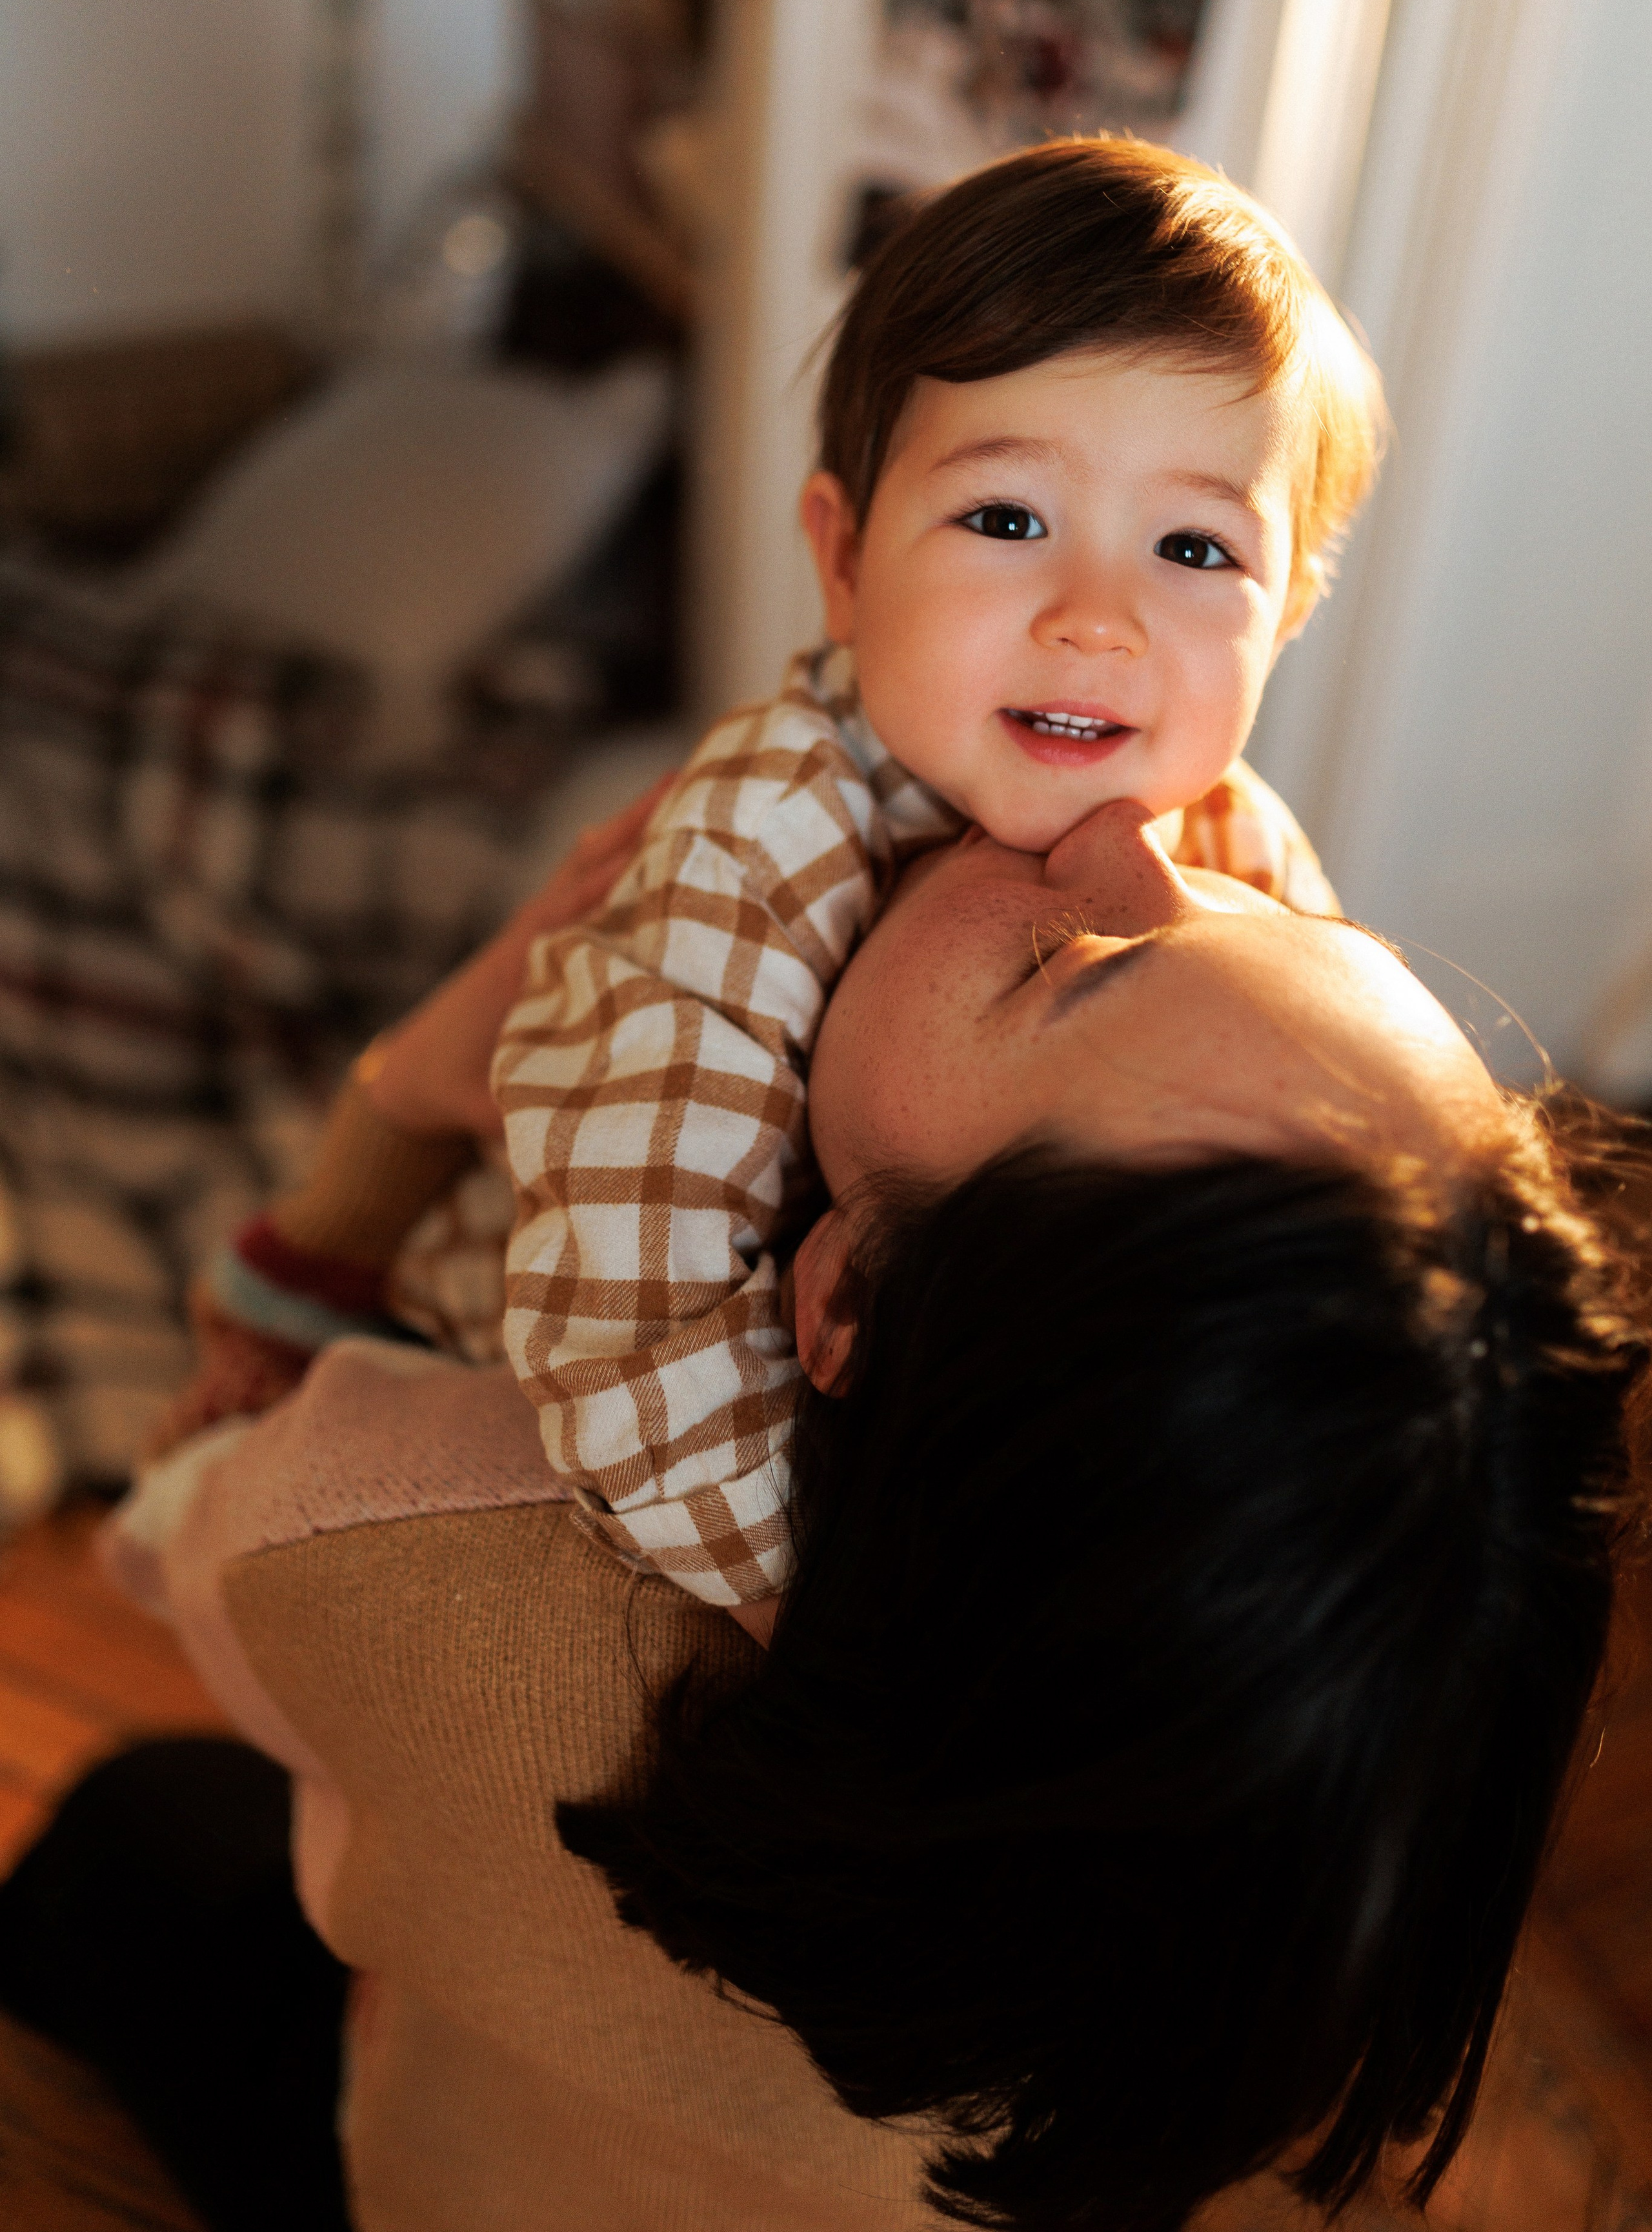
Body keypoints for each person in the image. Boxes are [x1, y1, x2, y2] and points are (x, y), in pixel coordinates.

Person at [61, 792, 1644, 2232]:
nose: (1132, 826)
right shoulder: (1366, 1779)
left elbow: (186, 1497)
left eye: (1065, 966)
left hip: (460, 2175)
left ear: (843, 1309)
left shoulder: (415, 1534)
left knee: (124, 1834)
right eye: (1298, 916)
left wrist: (403, 1114)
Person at [164, 136, 1383, 1614]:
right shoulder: (766, 833)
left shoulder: (1235, 847)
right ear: (845, 558)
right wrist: (825, 1627)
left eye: (1192, 547)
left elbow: (1334, 1164)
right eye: (1008, 520)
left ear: (1288, 609)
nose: (1096, 618)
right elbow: (628, 1342)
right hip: (558, 1414)